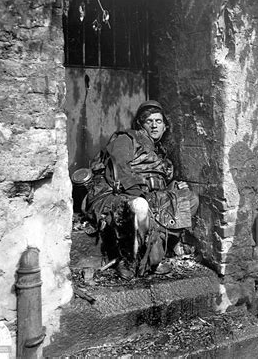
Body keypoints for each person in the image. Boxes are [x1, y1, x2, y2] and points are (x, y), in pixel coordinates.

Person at [84, 100, 199, 279]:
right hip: (120, 194)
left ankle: (153, 251)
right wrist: (140, 193)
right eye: (149, 121)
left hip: (149, 196)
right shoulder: (127, 139)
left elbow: (161, 184)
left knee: (189, 199)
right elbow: (119, 168)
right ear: (141, 124)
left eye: (158, 121)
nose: (154, 125)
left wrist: (174, 187)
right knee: (140, 205)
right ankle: (132, 259)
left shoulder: (161, 156)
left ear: (165, 127)